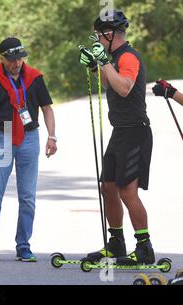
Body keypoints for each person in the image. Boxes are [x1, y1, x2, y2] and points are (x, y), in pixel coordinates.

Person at [78, 9, 155, 265]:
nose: (96, 39)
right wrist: (95, 64)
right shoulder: (114, 57)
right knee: (108, 187)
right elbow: (110, 82)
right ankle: (116, 243)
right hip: (120, 132)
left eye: (98, 35)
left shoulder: (129, 57)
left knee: (126, 190)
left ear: (110, 34)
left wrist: (104, 62)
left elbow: (124, 88)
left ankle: (144, 247)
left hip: (136, 132)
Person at [0, 37, 57, 262]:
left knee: (28, 196)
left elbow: (47, 109)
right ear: (1, 58)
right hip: (2, 137)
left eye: (20, 58)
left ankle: (23, 246)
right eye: (11, 59)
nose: (17, 63)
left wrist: (52, 136)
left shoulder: (35, 78)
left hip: (30, 138)